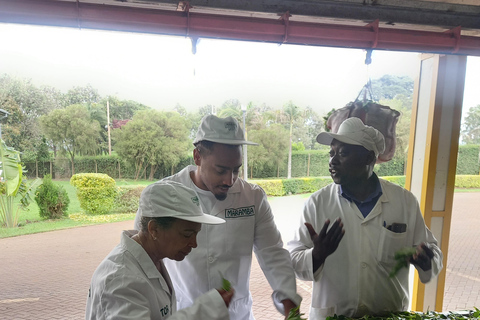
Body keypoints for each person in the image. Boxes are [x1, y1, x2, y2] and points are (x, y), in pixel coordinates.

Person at [134, 115, 302, 320]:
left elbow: (273, 253)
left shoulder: (253, 198)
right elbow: (142, 258)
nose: (229, 180)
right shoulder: (162, 196)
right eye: (221, 170)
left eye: (236, 170)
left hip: (237, 314)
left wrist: (290, 305)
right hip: (184, 311)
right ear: (197, 156)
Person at [287, 117, 443, 320]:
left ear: (369, 158)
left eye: (343, 153)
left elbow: (433, 251)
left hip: (389, 315)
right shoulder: (318, 203)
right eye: (331, 153)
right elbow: (292, 259)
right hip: (332, 316)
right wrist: (317, 255)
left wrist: (427, 260)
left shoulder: (404, 202)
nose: (332, 161)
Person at [86, 180, 233, 320]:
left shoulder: (151, 259)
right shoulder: (121, 281)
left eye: (196, 234)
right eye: (187, 234)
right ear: (154, 229)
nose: (194, 244)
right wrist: (206, 310)